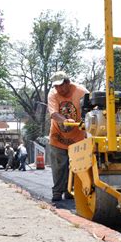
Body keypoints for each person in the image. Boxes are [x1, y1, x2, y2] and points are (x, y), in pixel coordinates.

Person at [48, 71, 88, 203]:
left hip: (77, 139)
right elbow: (54, 114)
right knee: (59, 166)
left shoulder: (81, 92)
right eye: (56, 86)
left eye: (60, 85)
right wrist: (65, 120)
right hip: (58, 137)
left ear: (68, 82)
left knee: (77, 166)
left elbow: (91, 110)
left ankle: (70, 191)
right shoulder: (53, 94)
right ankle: (57, 192)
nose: (58, 89)